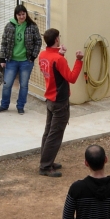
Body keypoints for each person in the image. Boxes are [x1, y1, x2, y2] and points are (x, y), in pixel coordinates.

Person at [37, 28, 83, 177]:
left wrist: (60, 53)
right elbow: (72, 77)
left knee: (48, 132)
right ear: (56, 40)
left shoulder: (43, 55)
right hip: (59, 101)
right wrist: (79, 60)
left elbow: (54, 69)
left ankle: (46, 161)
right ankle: (45, 166)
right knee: (55, 135)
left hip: (50, 98)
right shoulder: (58, 59)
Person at [0, 5, 42, 115]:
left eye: (23, 14)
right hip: (11, 60)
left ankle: (20, 106)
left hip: (26, 61)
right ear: (15, 15)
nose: (22, 16)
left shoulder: (32, 26)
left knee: (24, 85)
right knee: (7, 84)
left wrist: (33, 56)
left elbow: (38, 42)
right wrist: (2, 58)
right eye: (19, 14)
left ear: (26, 14)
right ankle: (4, 105)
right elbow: (4, 43)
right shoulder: (9, 26)